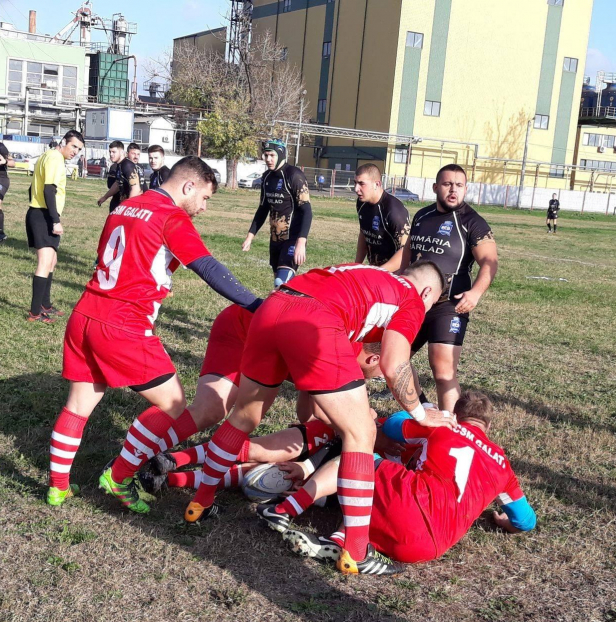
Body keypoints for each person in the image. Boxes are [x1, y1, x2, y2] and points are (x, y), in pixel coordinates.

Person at [182, 261, 456, 576]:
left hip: (276, 304)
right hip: (315, 320)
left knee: (244, 416)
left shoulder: (369, 274)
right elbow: (395, 364)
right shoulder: (411, 297)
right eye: (431, 303)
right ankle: (355, 552)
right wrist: (421, 412)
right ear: (426, 292)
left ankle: (198, 504)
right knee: (362, 433)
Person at [44, 157, 262, 508]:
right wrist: (256, 305)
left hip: (85, 313)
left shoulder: (126, 206)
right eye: (204, 198)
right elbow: (205, 265)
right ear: (188, 186)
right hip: (123, 324)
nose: (203, 208)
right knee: (173, 404)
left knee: (78, 406)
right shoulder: (170, 215)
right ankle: (117, 476)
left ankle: (57, 488)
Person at [134, 301, 385, 493]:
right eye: (379, 372)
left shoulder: (346, 343)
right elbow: (321, 413)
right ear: (374, 358)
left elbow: (308, 412)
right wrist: (360, 429)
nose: (375, 378)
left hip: (248, 324)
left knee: (212, 410)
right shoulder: (343, 353)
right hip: (243, 329)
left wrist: (323, 436)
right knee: (211, 409)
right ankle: (134, 460)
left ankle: (156, 465)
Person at [278, 392, 537, 568]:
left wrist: (425, 414)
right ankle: (339, 540)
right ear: (488, 427)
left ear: (455, 416)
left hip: (409, 505)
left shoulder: (442, 426)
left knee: (359, 461)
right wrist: (507, 523)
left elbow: (393, 425)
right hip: (427, 549)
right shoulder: (503, 465)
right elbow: (526, 520)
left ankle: (285, 509)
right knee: (379, 496)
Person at [399, 164, 498, 413]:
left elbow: (489, 261)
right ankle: (422, 405)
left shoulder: (473, 223)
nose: (453, 190)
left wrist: (475, 293)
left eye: (459, 185)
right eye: (447, 184)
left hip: (449, 305)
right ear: (435, 187)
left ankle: (450, 429)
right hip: (414, 302)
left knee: (443, 372)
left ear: (465, 189)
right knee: (390, 357)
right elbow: (406, 256)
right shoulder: (422, 216)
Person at [25, 130, 85, 323]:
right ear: (63, 142)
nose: (75, 151)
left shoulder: (49, 156)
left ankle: (45, 305)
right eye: (73, 146)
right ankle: (35, 312)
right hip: (42, 214)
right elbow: (49, 189)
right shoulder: (54, 158)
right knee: (44, 263)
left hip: (42, 213)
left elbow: (32, 187)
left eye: (79, 149)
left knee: (52, 261)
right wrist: (54, 220)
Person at [242, 139, 313, 288]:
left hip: (292, 238)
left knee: (280, 283)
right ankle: (293, 308)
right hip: (275, 240)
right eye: (265, 155)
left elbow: (306, 210)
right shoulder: (266, 177)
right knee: (281, 286)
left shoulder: (294, 175)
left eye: (272, 155)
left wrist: (301, 242)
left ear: (281, 155)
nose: (268, 159)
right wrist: (250, 237)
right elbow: (262, 209)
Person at [354, 164, 410, 271]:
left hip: (394, 274)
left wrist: (379, 272)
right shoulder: (362, 203)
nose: (356, 189)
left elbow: (405, 250)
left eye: (361, 184)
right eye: (355, 183)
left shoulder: (394, 211)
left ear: (377, 184)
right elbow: (364, 233)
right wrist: (356, 265)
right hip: (376, 270)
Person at [96, 141, 142, 212]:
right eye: (110, 152)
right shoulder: (119, 165)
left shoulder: (127, 165)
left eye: (114, 152)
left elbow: (136, 189)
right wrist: (105, 197)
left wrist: (127, 207)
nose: (111, 154)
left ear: (121, 152)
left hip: (134, 207)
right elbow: (117, 184)